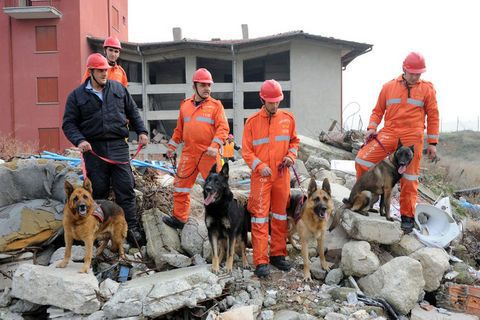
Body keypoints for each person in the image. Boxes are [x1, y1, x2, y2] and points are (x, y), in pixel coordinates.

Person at [63, 53, 149, 245]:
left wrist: (142, 131)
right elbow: (68, 124)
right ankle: (96, 231)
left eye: (106, 70)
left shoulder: (118, 89)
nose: (104, 74)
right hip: (94, 149)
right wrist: (79, 140)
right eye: (100, 71)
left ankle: (131, 230)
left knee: (125, 189)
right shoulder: (76, 96)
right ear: (91, 72)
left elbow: (133, 112)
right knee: (98, 192)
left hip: (118, 146)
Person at [355, 52, 439, 233]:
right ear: (404, 69)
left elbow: (433, 116)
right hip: (389, 133)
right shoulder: (388, 87)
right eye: (412, 73)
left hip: (412, 137)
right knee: (362, 160)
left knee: (409, 178)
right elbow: (377, 111)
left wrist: (432, 142)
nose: (416, 77)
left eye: (419, 74)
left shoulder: (427, 89)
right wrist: (371, 127)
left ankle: (407, 216)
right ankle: (368, 197)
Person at [242, 79, 300, 278]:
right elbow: (247, 151)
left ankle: (278, 254)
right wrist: (260, 165)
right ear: (262, 99)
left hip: (282, 175)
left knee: (280, 215)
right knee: (259, 217)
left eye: (277, 102)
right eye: (271, 102)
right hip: (261, 177)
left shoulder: (288, 119)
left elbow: (294, 142)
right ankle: (260, 260)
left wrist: (290, 157)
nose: (275, 105)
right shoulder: (252, 122)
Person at [162, 68, 229, 230]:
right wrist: (171, 147)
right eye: (203, 85)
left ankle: (221, 220)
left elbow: (223, 128)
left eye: (209, 85)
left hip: (209, 155)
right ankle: (179, 218)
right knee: (180, 187)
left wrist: (214, 146)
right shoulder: (185, 106)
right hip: (189, 153)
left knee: (217, 189)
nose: (207, 88)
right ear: (195, 86)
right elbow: (179, 130)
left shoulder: (216, 106)